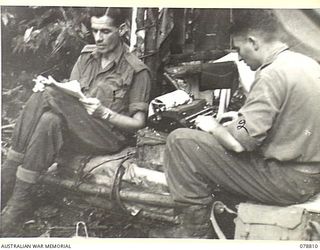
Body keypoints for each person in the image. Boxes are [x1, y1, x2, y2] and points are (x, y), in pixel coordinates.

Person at [150, 9, 320, 238]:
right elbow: (275, 120)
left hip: (287, 181)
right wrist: (239, 120)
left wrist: (212, 125)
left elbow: (238, 143)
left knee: (181, 141)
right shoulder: (305, 63)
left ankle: (195, 232)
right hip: (309, 173)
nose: (239, 58)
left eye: (240, 49)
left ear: (253, 42)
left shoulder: (271, 75)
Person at [1, 7, 151, 236]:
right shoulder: (86, 56)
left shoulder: (137, 71)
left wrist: (105, 113)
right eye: (95, 31)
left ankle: (6, 178)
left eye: (105, 31)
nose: (98, 38)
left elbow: (139, 123)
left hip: (108, 137)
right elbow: (71, 95)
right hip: (77, 128)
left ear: (122, 29)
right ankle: (17, 204)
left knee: (47, 95)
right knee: (49, 119)